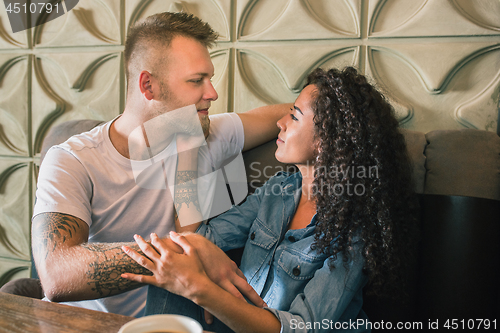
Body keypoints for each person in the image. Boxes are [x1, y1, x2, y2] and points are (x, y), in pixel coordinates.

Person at [30, 12, 290, 318]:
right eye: (196, 81)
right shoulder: (72, 159)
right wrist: (189, 249)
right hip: (77, 324)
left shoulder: (204, 130)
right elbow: (56, 276)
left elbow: (291, 113)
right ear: (148, 86)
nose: (212, 93)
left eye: (209, 78)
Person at [121, 67, 419, 332]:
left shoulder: (354, 227)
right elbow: (198, 238)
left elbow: (302, 327)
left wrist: (202, 291)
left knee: (178, 280)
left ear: (326, 139)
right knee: (167, 276)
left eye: (294, 115)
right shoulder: (279, 190)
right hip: (243, 321)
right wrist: (186, 155)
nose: (280, 122)